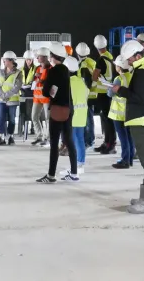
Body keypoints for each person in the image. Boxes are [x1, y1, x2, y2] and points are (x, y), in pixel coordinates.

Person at [116, 39, 144, 213]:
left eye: (131, 59)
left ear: (138, 55)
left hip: (141, 119)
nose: (129, 62)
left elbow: (139, 96)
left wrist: (120, 90)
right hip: (143, 118)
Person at [38, 43, 79, 183]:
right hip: (69, 108)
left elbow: (45, 91)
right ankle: (74, 173)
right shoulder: (66, 70)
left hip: (57, 110)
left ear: (53, 57)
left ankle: (51, 175)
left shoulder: (53, 71)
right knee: (69, 141)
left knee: (54, 142)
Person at [91, 35, 117, 154]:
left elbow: (94, 77)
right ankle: (107, 142)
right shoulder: (110, 57)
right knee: (107, 119)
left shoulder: (101, 60)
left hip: (103, 93)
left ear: (96, 46)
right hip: (110, 92)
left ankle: (110, 144)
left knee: (107, 120)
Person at [108, 57, 135, 169]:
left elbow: (110, 94)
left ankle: (125, 160)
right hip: (130, 112)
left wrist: (108, 87)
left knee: (123, 138)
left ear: (119, 67)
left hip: (119, 114)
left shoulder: (119, 79)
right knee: (130, 137)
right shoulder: (133, 76)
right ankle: (130, 159)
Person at [65, 55, 90, 175]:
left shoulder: (67, 83)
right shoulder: (81, 81)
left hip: (72, 115)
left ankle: (75, 167)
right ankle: (80, 164)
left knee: (73, 142)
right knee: (80, 140)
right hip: (82, 114)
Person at [0, 51, 21, 146]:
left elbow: (17, 87)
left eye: (5, 60)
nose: (3, 61)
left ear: (11, 61)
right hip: (1, 100)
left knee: (12, 120)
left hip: (12, 101)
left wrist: (6, 96)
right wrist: (2, 96)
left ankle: (10, 137)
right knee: (1, 119)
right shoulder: (0, 72)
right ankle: (1, 137)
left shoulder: (18, 73)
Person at [75, 42, 97, 148]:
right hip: (93, 94)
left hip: (86, 96)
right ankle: (90, 139)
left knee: (87, 119)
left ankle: (88, 140)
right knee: (89, 118)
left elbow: (86, 82)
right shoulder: (92, 62)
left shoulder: (83, 65)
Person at [31, 47, 50, 146]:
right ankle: (39, 136)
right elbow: (34, 80)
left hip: (46, 98)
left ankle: (47, 138)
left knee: (48, 118)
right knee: (34, 117)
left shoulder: (50, 69)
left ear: (44, 57)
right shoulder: (37, 68)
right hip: (37, 97)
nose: (37, 58)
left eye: (39, 56)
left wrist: (39, 79)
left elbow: (46, 81)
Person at [19, 50, 37, 140]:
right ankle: (21, 129)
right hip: (23, 91)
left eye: (30, 60)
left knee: (32, 109)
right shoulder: (21, 69)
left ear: (32, 60)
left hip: (31, 91)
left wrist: (31, 83)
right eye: (27, 60)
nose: (28, 61)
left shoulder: (36, 69)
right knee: (23, 110)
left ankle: (33, 128)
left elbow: (36, 80)